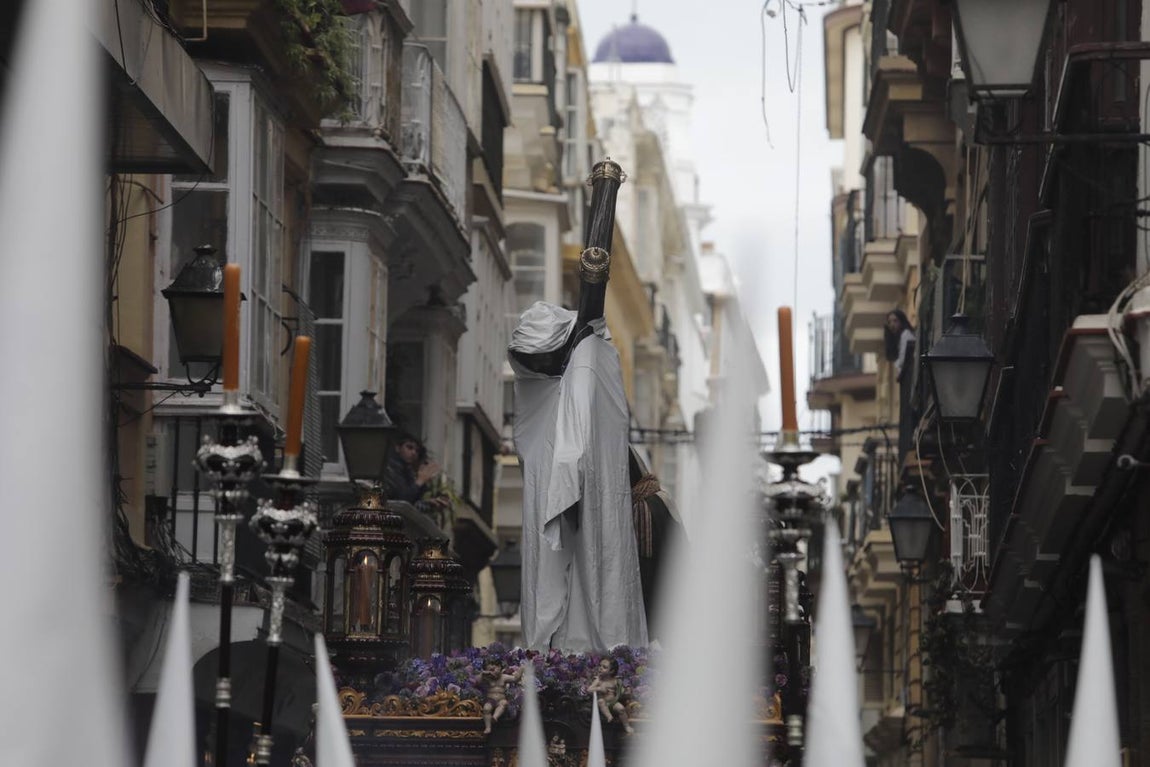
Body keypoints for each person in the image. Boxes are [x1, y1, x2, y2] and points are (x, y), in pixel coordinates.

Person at [587, 657, 632, 734]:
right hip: (603, 702)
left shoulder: (615, 680)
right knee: (601, 701)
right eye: (600, 666)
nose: (600, 668)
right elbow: (589, 689)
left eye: (604, 667)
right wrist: (599, 688)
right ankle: (609, 716)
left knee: (621, 709)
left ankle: (626, 726)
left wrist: (626, 691)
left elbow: (621, 690)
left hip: (613, 702)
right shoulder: (599, 680)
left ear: (612, 671)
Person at [480, 660, 523, 734]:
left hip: (501, 699)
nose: (493, 672)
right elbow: (477, 680)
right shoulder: (487, 678)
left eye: (495, 669)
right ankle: (488, 727)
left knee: (504, 703)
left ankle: (495, 717)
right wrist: (484, 673)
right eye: (490, 670)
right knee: (486, 708)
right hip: (490, 699)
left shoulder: (504, 677)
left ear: (500, 669)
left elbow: (515, 679)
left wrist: (521, 669)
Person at [884, 309, 916, 381]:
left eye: (895, 321)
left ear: (901, 321)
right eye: (889, 322)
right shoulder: (898, 340)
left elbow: (903, 361)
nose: (892, 324)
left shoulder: (906, 334)